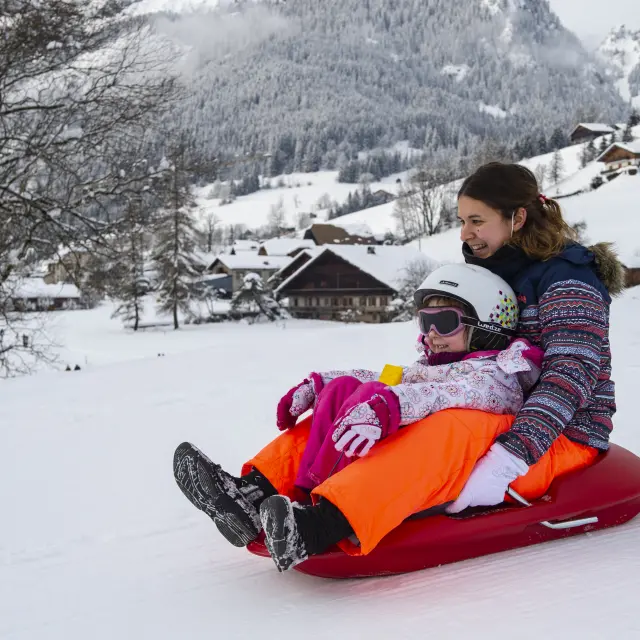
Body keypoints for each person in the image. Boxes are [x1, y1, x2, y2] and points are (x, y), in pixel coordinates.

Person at [173, 162, 624, 573]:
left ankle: (320, 525)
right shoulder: (500, 268)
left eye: (476, 221)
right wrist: (344, 387)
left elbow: (572, 375)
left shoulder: (568, 279)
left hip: (559, 434)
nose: (465, 233)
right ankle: (251, 492)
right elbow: (436, 372)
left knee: (447, 427)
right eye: (461, 221)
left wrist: (513, 454)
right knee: (358, 402)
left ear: (517, 219)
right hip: (486, 402)